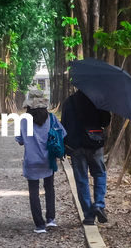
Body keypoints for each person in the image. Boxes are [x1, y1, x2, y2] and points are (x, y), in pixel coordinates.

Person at [14, 90, 64, 234]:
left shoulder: (24, 120)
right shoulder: (51, 118)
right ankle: (51, 219)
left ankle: (40, 225)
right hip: (48, 159)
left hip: (32, 160)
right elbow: (62, 134)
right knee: (49, 188)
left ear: (29, 105)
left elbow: (20, 140)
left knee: (34, 192)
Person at [61, 86, 111, 225]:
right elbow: (105, 121)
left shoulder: (69, 102)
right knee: (100, 173)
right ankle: (99, 205)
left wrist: (65, 146)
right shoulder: (98, 100)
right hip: (95, 143)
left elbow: (63, 125)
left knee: (81, 179)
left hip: (76, 146)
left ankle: (88, 215)